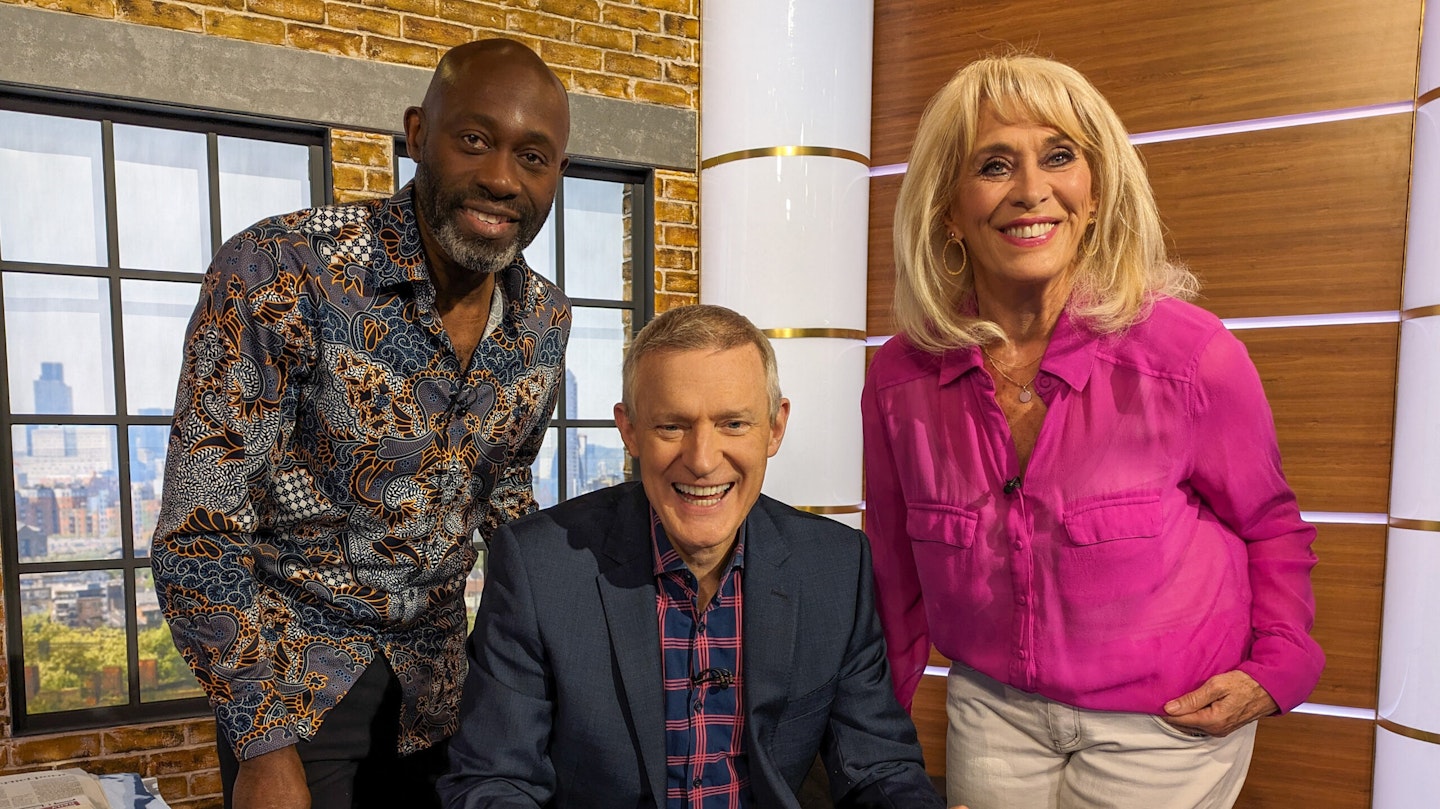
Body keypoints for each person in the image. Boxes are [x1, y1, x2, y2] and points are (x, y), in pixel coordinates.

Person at [862, 54, 1325, 809]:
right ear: (948, 206)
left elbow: (1270, 528)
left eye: (1058, 156)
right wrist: (877, 729)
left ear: (1096, 189)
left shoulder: (1193, 355)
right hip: (994, 712)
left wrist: (1275, 669)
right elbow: (894, 567)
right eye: (993, 164)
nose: (1031, 189)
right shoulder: (898, 378)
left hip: (1166, 723)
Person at [151, 38, 572, 809]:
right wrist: (262, 742)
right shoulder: (279, 268)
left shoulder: (545, 318)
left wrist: (560, 649)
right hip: (293, 694)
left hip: (448, 691)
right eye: (475, 139)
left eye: (534, 157)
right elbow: (199, 532)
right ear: (417, 134)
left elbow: (507, 490)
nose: (502, 177)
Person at [439, 304, 950, 809]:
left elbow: (878, 769)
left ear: (774, 428)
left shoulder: (835, 567)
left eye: (733, 424)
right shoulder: (538, 568)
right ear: (630, 430)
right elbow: (494, 782)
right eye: (671, 427)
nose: (703, 460)